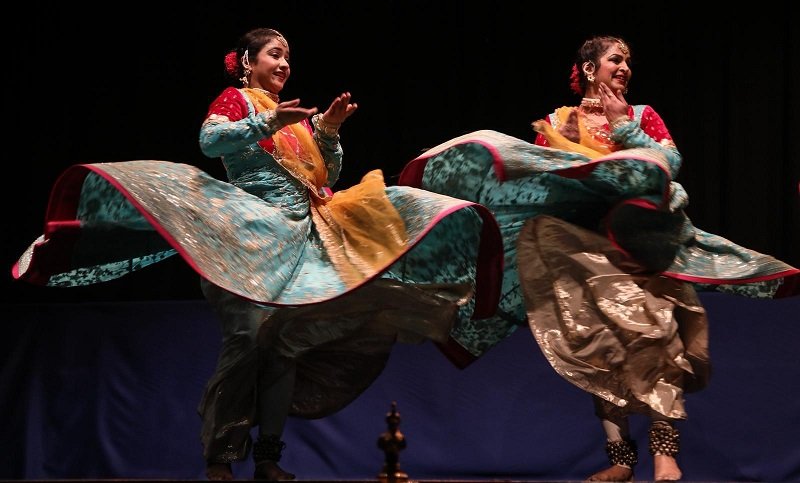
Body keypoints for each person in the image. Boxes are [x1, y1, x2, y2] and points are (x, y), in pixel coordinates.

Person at [11, 27, 503, 481]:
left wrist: (328, 130)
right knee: (246, 340)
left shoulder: (294, 119)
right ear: (247, 61)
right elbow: (209, 141)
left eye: (288, 56)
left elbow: (323, 178)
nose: (284, 63)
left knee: (283, 347)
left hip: (303, 240)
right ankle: (220, 457)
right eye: (274, 54)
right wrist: (268, 118)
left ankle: (269, 458)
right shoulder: (238, 100)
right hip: (247, 237)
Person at [398, 35, 799, 482]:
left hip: (643, 241)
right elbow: (535, 181)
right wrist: (559, 150)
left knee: (656, 333)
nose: (625, 67)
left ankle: (665, 455)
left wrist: (623, 125)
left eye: (628, 60)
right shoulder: (556, 120)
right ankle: (620, 459)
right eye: (616, 59)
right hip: (583, 247)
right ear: (589, 68)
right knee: (600, 346)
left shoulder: (643, 115)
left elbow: (667, 161)